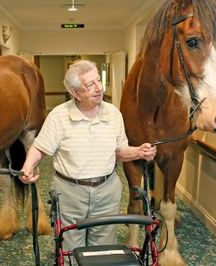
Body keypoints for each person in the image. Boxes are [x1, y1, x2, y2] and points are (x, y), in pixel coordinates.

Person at [19, 60, 156, 252]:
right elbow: (39, 148)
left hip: (107, 191)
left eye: (98, 81)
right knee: (71, 247)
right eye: (90, 85)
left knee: (103, 247)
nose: (99, 88)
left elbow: (119, 152)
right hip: (69, 192)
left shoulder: (114, 114)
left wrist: (139, 152)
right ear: (75, 93)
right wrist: (28, 166)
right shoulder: (59, 116)